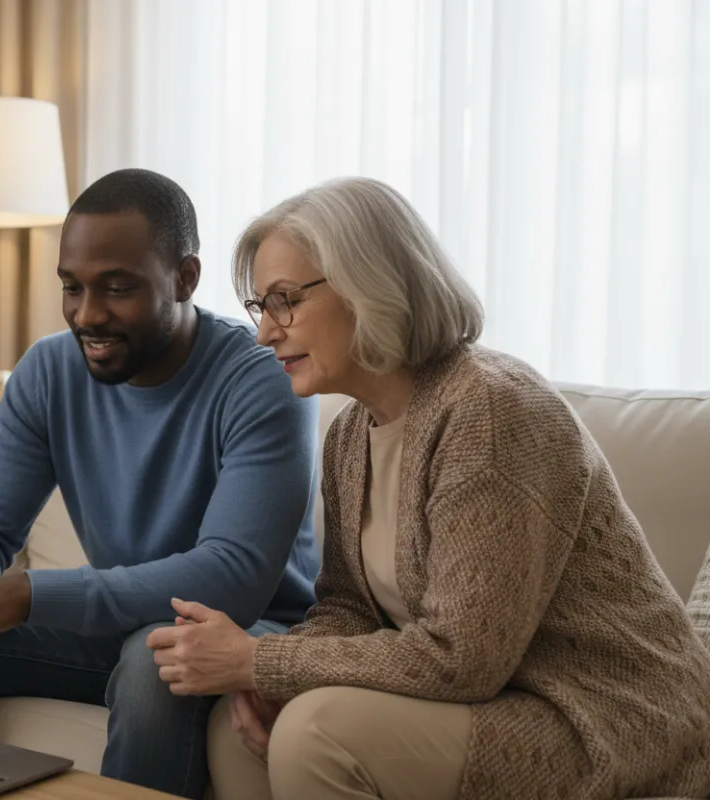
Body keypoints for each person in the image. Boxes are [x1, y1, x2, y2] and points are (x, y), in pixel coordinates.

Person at [145, 176, 710, 800]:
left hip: (601, 716)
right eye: (259, 307)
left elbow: (462, 656)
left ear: (369, 283)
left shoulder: (492, 412)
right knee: (243, 723)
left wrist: (259, 661)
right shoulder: (351, 431)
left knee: (314, 731)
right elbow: (348, 609)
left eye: (284, 300)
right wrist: (271, 681)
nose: (265, 333)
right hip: (499, 699)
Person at [0, 168, 322, 799]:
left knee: (153, 659)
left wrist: (25, 594)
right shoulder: (50, 371)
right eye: (71, 287)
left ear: (184, 278)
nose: (88, 314)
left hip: (244, 630)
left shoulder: (260, 379)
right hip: (122, 620)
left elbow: (232, 575)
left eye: (117, 288)